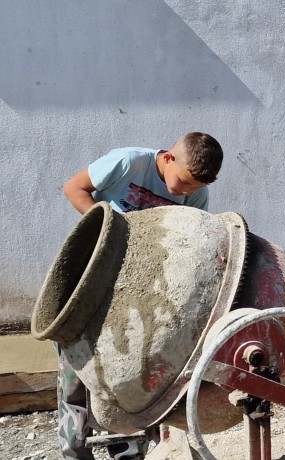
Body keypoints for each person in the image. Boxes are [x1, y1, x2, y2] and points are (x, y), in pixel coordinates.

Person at [58, 132, 224, 460]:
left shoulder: (196, 194)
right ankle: (74, 449)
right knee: (77, 372)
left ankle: (127, 452)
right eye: (184, 182)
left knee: (130, 371)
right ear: (167, 159)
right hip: (92, 276)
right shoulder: (128, 162)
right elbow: (73, 188)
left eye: (195, 188)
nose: (186, 192)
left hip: (140, 294)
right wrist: (109, 231)